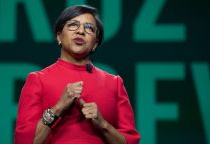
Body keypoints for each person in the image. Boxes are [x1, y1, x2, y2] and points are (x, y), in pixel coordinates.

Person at [14, 5, 140, 144]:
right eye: (73, 25)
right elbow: (24, 142)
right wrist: (57, 109)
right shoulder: (38, 80)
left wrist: (103, 125)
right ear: (59, 36)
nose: (80, 31)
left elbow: (130, 142)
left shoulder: (114, 83)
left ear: (95, 43)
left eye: (89, 28)